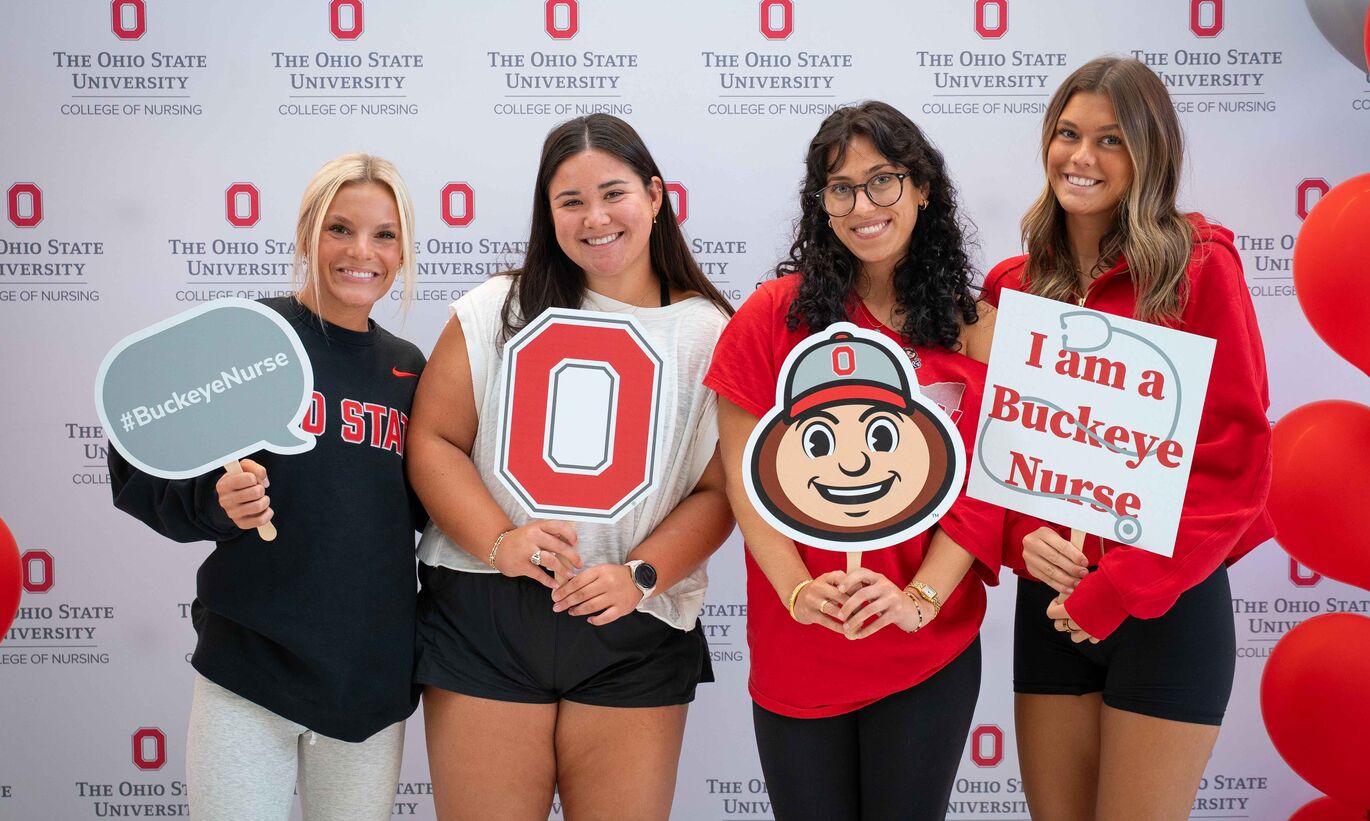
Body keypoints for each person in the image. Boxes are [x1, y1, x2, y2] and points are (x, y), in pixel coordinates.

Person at [408, 114, 734, 821]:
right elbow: (433, 439)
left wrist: (640, 575)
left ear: (654, 196)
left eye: (613, 193)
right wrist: (500, 540)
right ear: (547, 211)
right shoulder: (498, 308)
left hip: (634, 617)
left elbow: (718, 490)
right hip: (485, 608)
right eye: (571, 201)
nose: (595, 218)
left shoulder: (710, 332)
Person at [982, 56, 1274, 821]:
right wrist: (1019, 538)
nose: (1082, 156)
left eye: (1111, 139)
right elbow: (992, 453)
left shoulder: (1200, 269)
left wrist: (1119, 586)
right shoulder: (1012, 288)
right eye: (1068, 134)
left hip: (1162, 607)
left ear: (1150, 153)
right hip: (1050, 605)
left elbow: (1236, 463)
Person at [705, 101, 1002, 821]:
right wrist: (798, 592)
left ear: (922, 188)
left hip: (925, 645)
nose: (863, 206)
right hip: (800, 643)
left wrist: (918, 600)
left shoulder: (977, 328)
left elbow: (985, 490)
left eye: (883, 181)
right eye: (841, 188)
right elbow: (745, 480)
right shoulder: (770, 317)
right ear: (821, 203)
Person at [108, 153, 424, 820]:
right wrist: (213, 504)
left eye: (384, 235)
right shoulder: (248, 337)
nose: (361, 252)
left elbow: (433, 507)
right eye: (339, 228)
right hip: (248, 668)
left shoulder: (408, 368)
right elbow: (137, 459)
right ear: (307, 233)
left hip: (367, 679)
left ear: (402, 251)